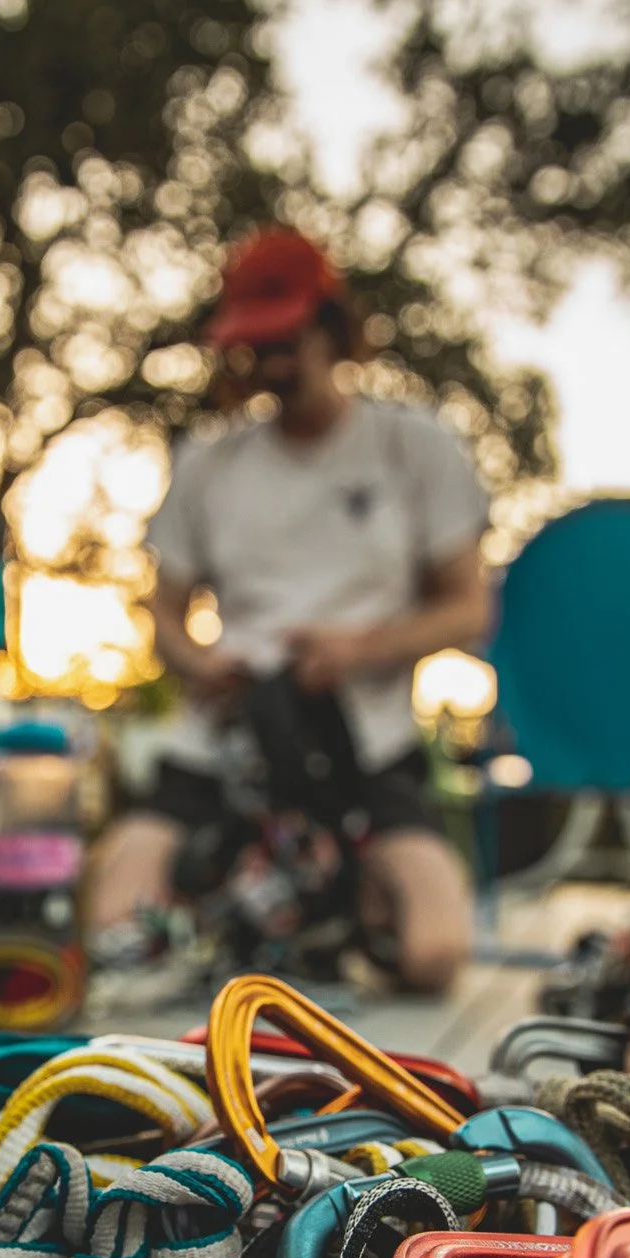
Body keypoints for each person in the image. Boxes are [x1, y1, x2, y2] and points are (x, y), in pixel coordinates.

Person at [93, 226, 490, 993]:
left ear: (332, 329)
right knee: (112, 926)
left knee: (432, 955)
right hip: (223, 749)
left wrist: (356, 651)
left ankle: (341, 903)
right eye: (256, 348)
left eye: (287, 342)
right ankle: (235, 913)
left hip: (364, 750)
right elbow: (162, 613)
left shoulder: (413, 446)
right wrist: (198, 663)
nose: (272, 364)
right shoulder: (208, 462)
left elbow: (467, 610)